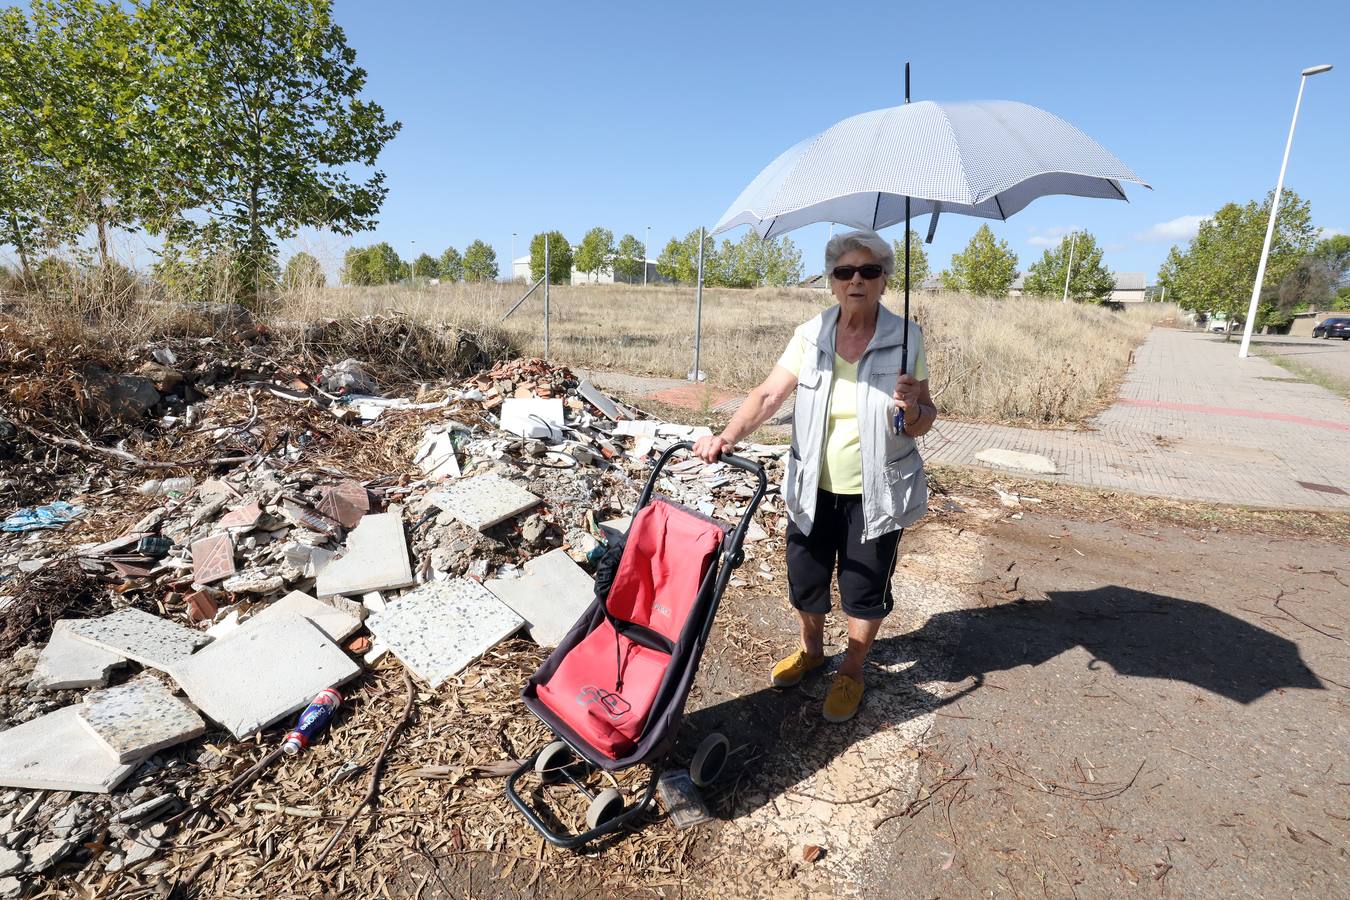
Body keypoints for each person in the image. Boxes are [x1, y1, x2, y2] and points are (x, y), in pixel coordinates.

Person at [693, 229, 933, 723]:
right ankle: (813, 651)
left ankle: (852, 669)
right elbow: (767, 395)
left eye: (868, 271)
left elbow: (924, 419)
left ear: (885, 279)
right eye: (844, 272)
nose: (856, 281)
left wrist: (911, 407)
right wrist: (727, 435)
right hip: (812, 486)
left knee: (863, 587)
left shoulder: (906, 339)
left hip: (876, 490)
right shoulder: (811, 334)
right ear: (831, 281)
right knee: (806, 580)